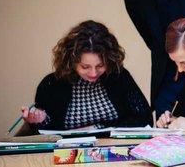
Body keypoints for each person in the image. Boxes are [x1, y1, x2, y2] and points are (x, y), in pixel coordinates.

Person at [21, 20, 152, 131]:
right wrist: (41, 119)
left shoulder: (118, 76)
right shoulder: (51, 84)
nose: (94, 73)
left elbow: (145, 119)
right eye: (85, 67)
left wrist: (96, 128)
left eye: (100, 66)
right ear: (71, 62)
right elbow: (44, 133)